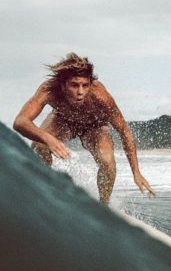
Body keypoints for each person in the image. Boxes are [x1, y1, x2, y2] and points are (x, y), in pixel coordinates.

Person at [13, 53, 156, 205]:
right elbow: (20, 121)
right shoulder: (49, 90)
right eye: (74, 85)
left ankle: (103, 207)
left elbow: (124, 131)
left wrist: (136, 172)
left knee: (107, 162)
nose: (81, 92)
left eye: (85, 85)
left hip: (95, 126)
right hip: (63, 120)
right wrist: (47, 138)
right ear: (62, 84)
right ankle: (43, 192)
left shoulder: (101, 96)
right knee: (39, 145)